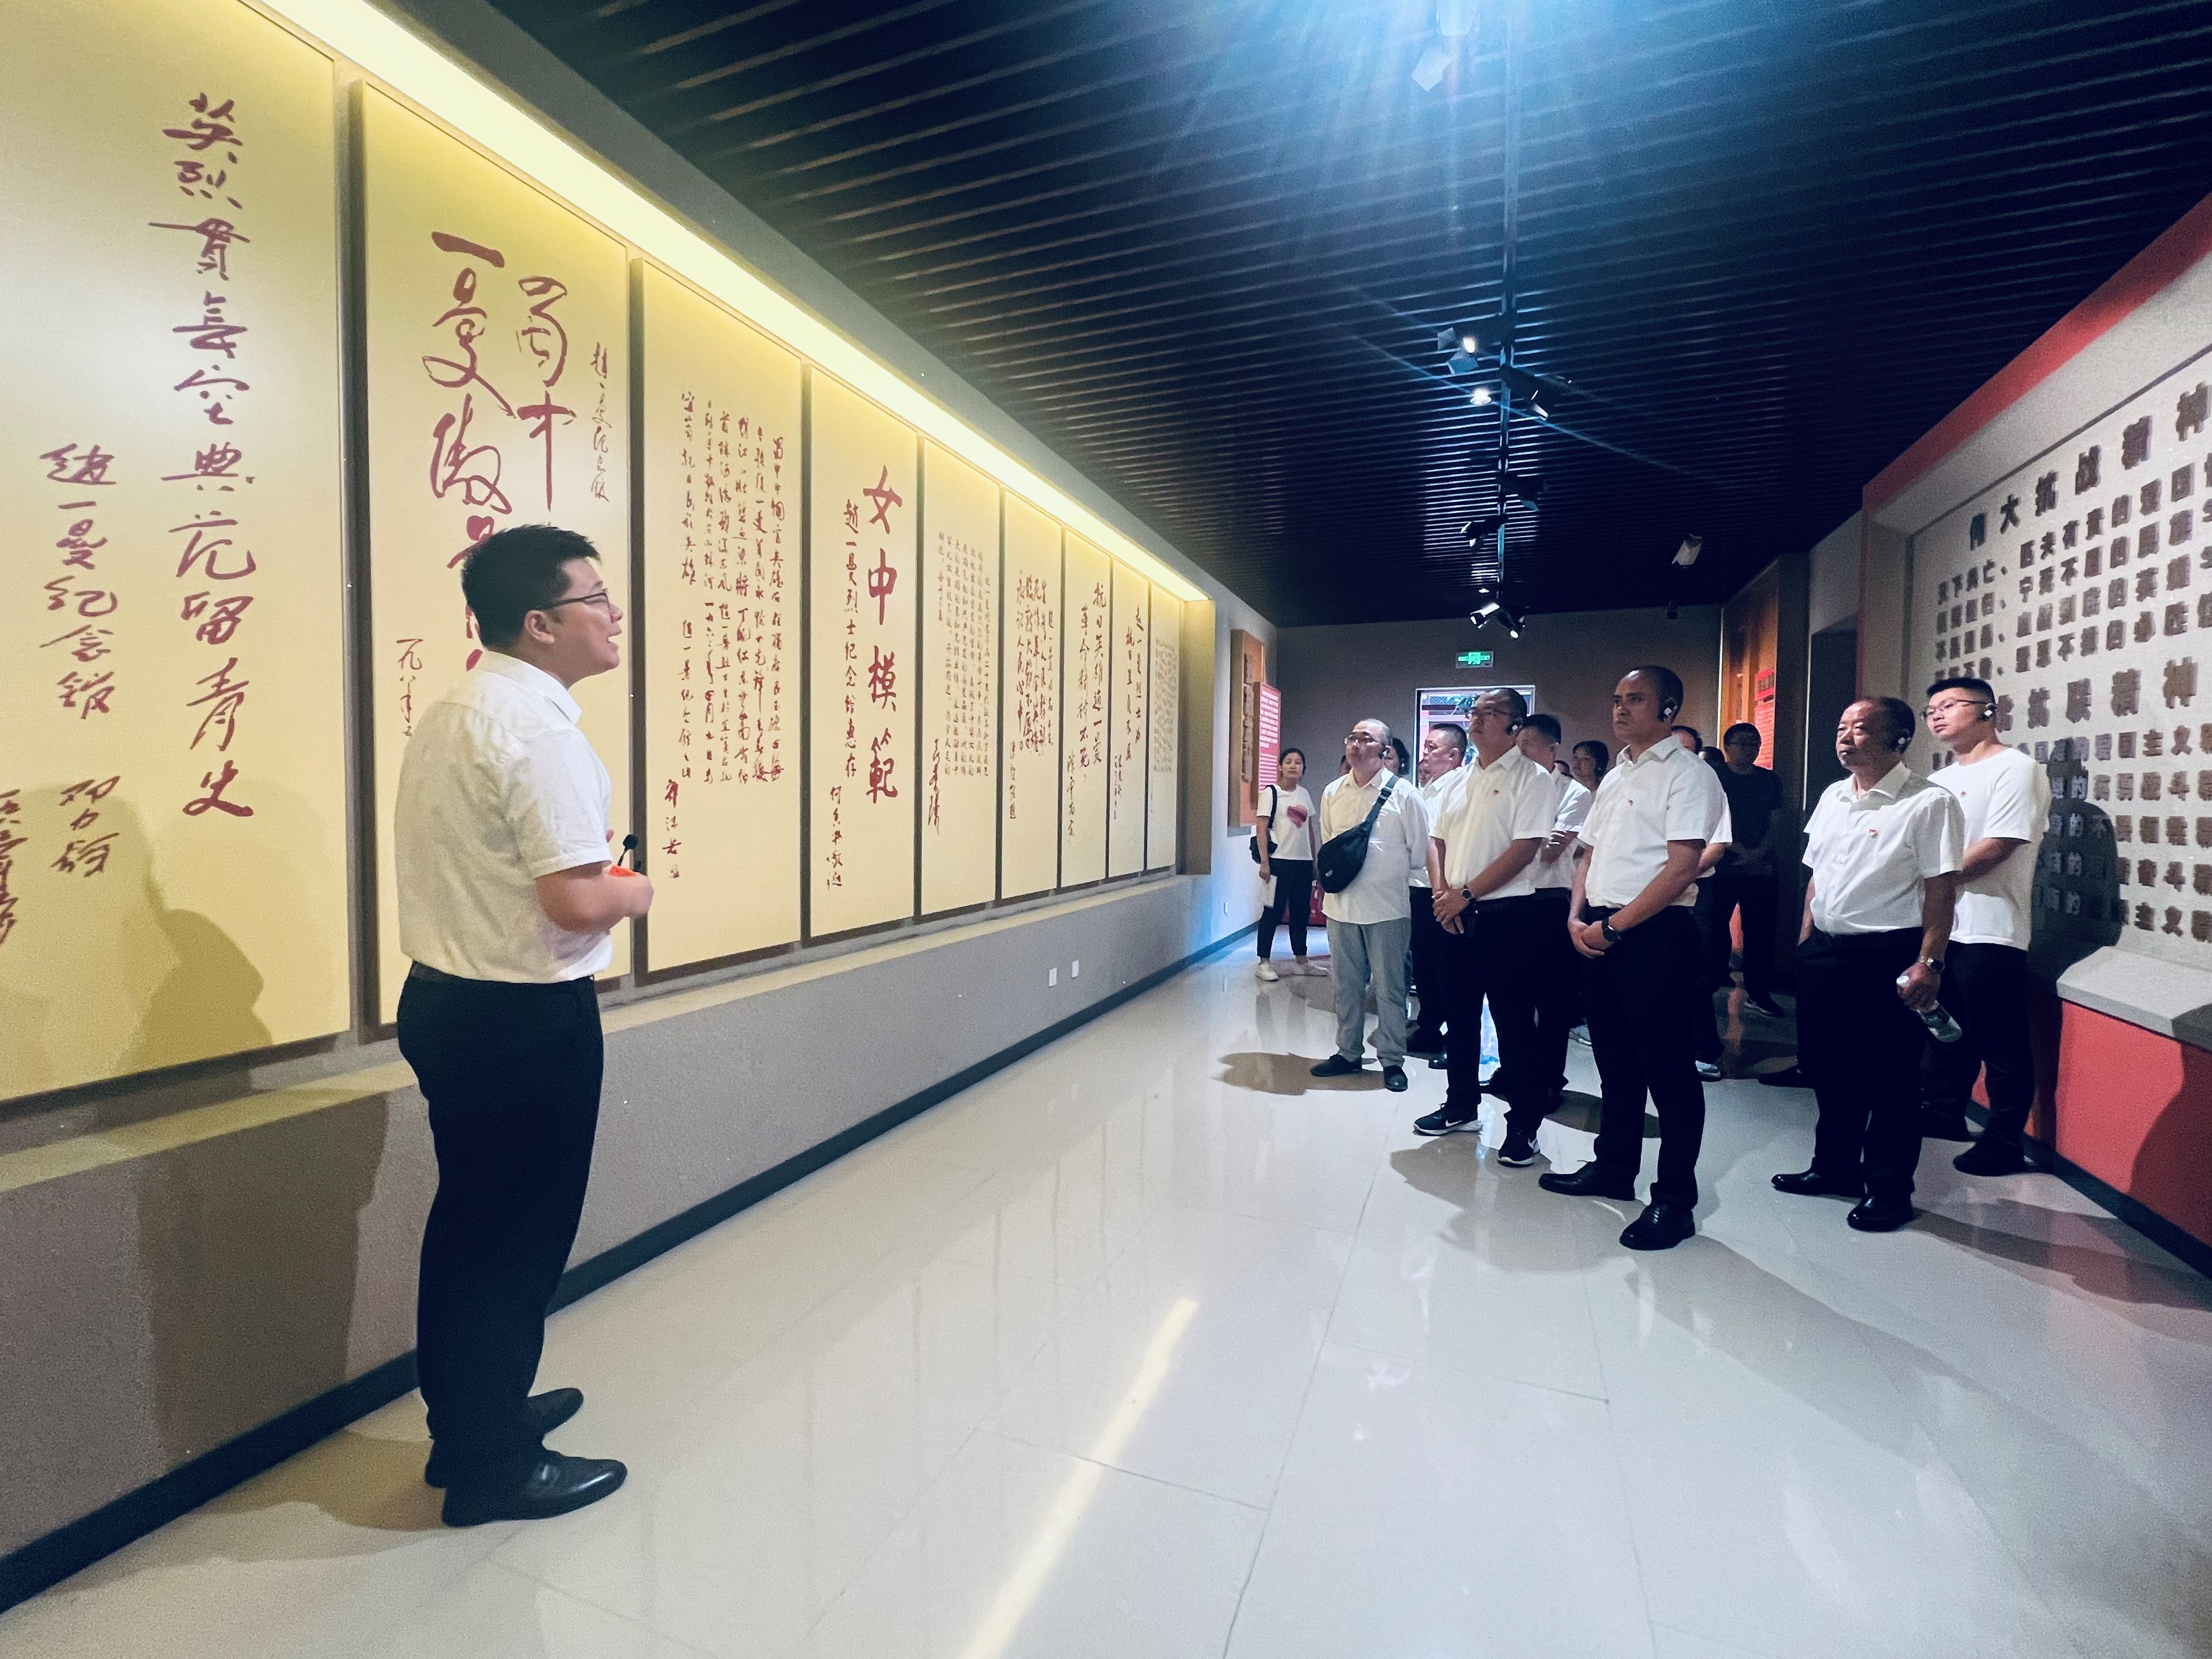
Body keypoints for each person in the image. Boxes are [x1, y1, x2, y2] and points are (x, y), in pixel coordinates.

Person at [393, 524, 653, 1526]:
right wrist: (636, 887)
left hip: (450, 1003)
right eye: (596, 597)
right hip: (521, 1019)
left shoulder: (458, 709)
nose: (613, 613)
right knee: (513, 1243)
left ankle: (469, 1421)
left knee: (472, 1227)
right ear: (541, 623)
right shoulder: (539, 733)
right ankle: (491, 1466)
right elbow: (577, 901)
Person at [1539, 665, 1726, 1251]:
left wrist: (1614, 929)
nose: (1621, 709)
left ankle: (1675, 1200)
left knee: (1668, 1070)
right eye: (1618, 699)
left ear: (1668, 709)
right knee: (1615, 1063)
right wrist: (1577, 918)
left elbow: (1682, 867)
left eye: (1636, 699)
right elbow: (1587, 856)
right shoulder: (1618, 774)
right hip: (1598, 926)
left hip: (1654, 933)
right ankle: (1615, 1168)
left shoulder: (1689, 774)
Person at [1773, 697, 1964, 1233]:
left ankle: (1889, 1189)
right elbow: (1817, 873)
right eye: (1842, 726)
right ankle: (1833, 1167)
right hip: (1825, 952)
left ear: (1898, 739)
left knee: (1891, 1078)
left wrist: (1930, 962)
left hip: (1887, 954)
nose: (1846, 736)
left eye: (1860, 728)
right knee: (1829, 1067)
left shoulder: (1929, 802)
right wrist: (1807, 936)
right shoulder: (1834, 796)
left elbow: (1941, 890)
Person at [1413, 691, 1558, 1161]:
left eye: (1489, 713)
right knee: (1458, 1017)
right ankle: (1461, 1105)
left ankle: (1524, 1125)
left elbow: (1525, 849)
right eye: (1473, 712)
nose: (1476, 719)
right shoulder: (1457, 780)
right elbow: (1435, 841)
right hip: (1452, 912)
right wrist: (1444, 896)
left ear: (1515, 725)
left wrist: (1467, 894)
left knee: (1514, 1024)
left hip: (1506, 917)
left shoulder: (1532, 778)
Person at [1922, 678, 2049, 1173]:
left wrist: (1938, 882)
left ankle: (2004, 1139)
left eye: (1948, 705)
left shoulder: (2016, 768)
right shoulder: (1940, 778)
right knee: (1943, 1028)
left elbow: (2000, 844)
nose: (1936, 715)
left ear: (1988, 711)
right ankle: (1944, 1111)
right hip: (1942, 926)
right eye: (1931, 709)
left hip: (1991, 926)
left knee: (1999, 1039)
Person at [1311, 719, 1431, 1092]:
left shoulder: (1405, 794)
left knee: (1390, 988)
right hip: (1342, 907)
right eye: (1352, 737)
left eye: (1366, 739)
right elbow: (1329, 844)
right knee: (1346, 987)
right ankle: (1348, 1053)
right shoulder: (1333, 791)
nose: (1356, 745)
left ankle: (1392, 1060)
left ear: (1385, 750)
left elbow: (1419, 853)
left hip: (1388, 909)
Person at [1515, 713, 1589, 1113]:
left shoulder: (1575, 794)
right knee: (1515, 997)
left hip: (1550, 901)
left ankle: (1549, 1079)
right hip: (1513, 899)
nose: (1520, 752)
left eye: (1528, 745)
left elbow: (1548, 852)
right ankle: (1517, 1072)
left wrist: (1515, 847)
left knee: (1551, 999)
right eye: (1517, 745)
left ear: (1552, 748)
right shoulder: (1514, 786)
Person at [1700, 724, 1787, 1018]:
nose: (1749, 749)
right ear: (1726, 747)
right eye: (1741, 743)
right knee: (1714, 929)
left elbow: (1777, 820)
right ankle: (1710, 986)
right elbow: (1708, 821)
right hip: (1721, 865)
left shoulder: (1768, 780)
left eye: (1754, 744)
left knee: (1761, 933)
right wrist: (1736, 849)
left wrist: (1758, 853)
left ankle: (1759, 993)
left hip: (1761, 868)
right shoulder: (1715, 777)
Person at [1406, 723, 1468, 1060]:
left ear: (1454, 755)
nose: (1425, 754)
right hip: (1419, 889)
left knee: (1450, 971)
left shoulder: (1460, 788)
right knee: (1425, 967)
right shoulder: (1426, 789)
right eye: (1425, 747)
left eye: (1432, 748)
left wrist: (1442, 890)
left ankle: (1455, 1041)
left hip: (1446, 892)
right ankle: (1429, 1029)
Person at [1254, 747, 1321, 982]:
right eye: (1289, 762)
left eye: (1298, 762)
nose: (1294, 766)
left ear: (1304, 768)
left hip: (1303, 863)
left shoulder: (1304, 794)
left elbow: (1309, 830)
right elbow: (1261, 828)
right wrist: (1265, 862)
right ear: (1280, 767)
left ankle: (1302, 961)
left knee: (1301, 913)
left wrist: (1314, 860)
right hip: (1279, 861)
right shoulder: (1271, 793)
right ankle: (1264, 962)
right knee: (1273, 912)